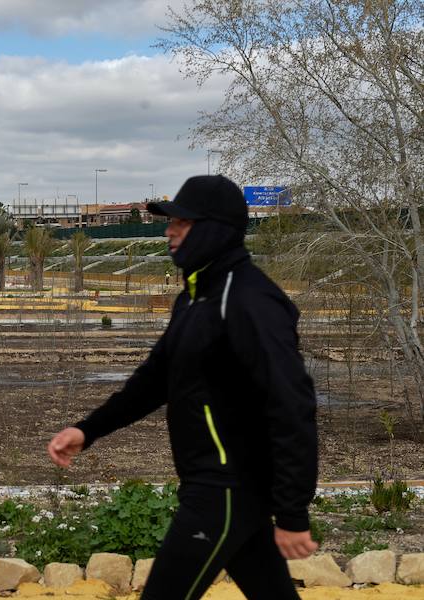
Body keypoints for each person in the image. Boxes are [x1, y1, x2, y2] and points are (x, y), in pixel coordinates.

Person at [48, 175, 318, 600]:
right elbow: (155, 379)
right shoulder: (195, 297)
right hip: (218, 486)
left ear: (215, 229)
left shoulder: (249, 300)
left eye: (182, 222)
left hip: (225, 488)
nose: (169, 230)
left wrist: (292, 510)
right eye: (170, 221)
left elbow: (291, 403)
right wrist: (88, 429)